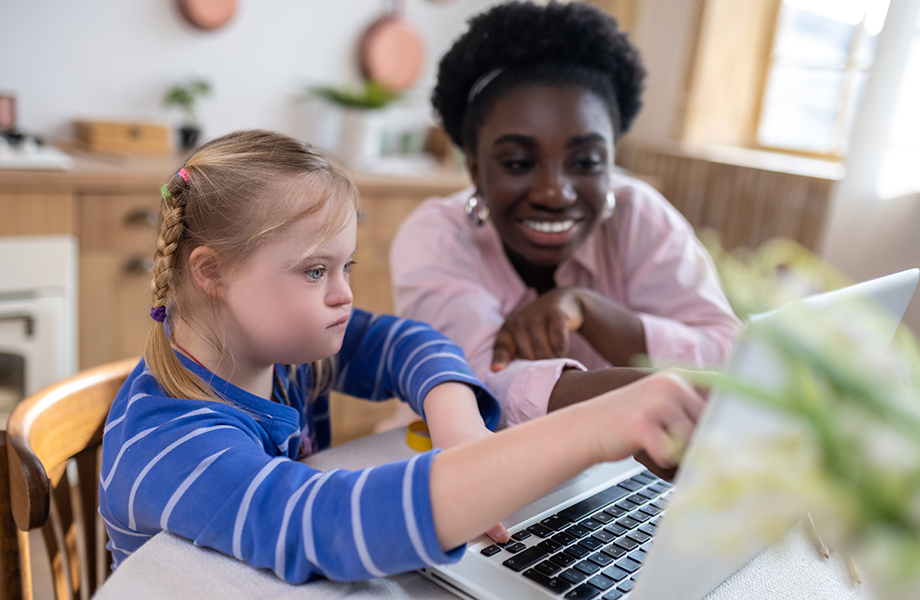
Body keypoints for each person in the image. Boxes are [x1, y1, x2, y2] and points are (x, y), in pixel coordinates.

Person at [98, 129, 705, 584]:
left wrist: (458, 422)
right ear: (213, 273)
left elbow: (403, 342)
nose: (344, 294)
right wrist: (589, 429)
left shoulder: (277, 348)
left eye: (345, 267)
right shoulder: (169, 442)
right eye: (314, 271)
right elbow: (320, 523)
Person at [390, 1, 742, 427]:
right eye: (519, 162)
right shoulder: (435, 238)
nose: (555, 193)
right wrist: (655, 398)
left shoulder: (639, 217)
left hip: (617, 470)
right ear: (475, 167)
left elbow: (729, 353)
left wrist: (592, 312)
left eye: (587, 161)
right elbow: (479, 386)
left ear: (612, 160)